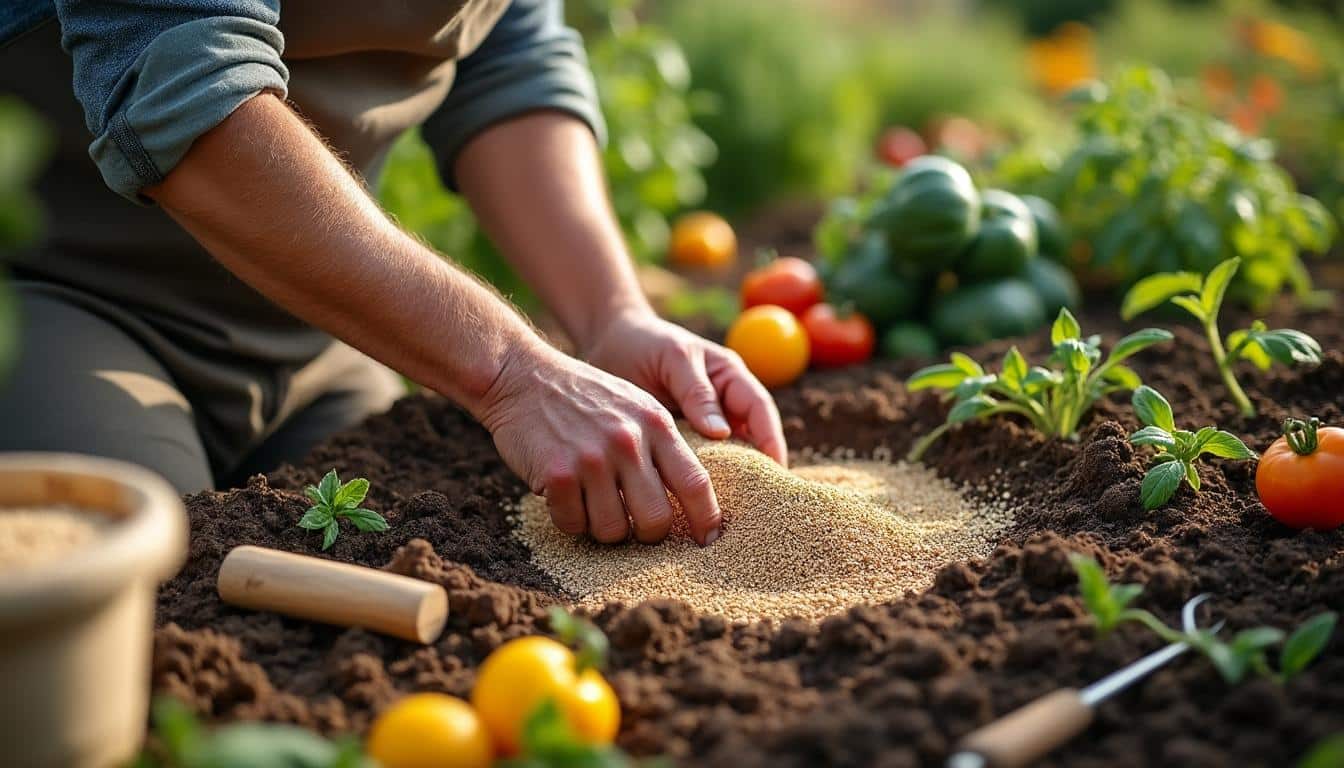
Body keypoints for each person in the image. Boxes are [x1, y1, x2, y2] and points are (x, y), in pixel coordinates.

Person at [0, 0, 787, 547]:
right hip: (62, 294)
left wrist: (612, 316)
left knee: (432, 548)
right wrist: (511, 372)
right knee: (140, 600)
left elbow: (508, 60)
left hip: (324, 332)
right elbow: (185, 92)